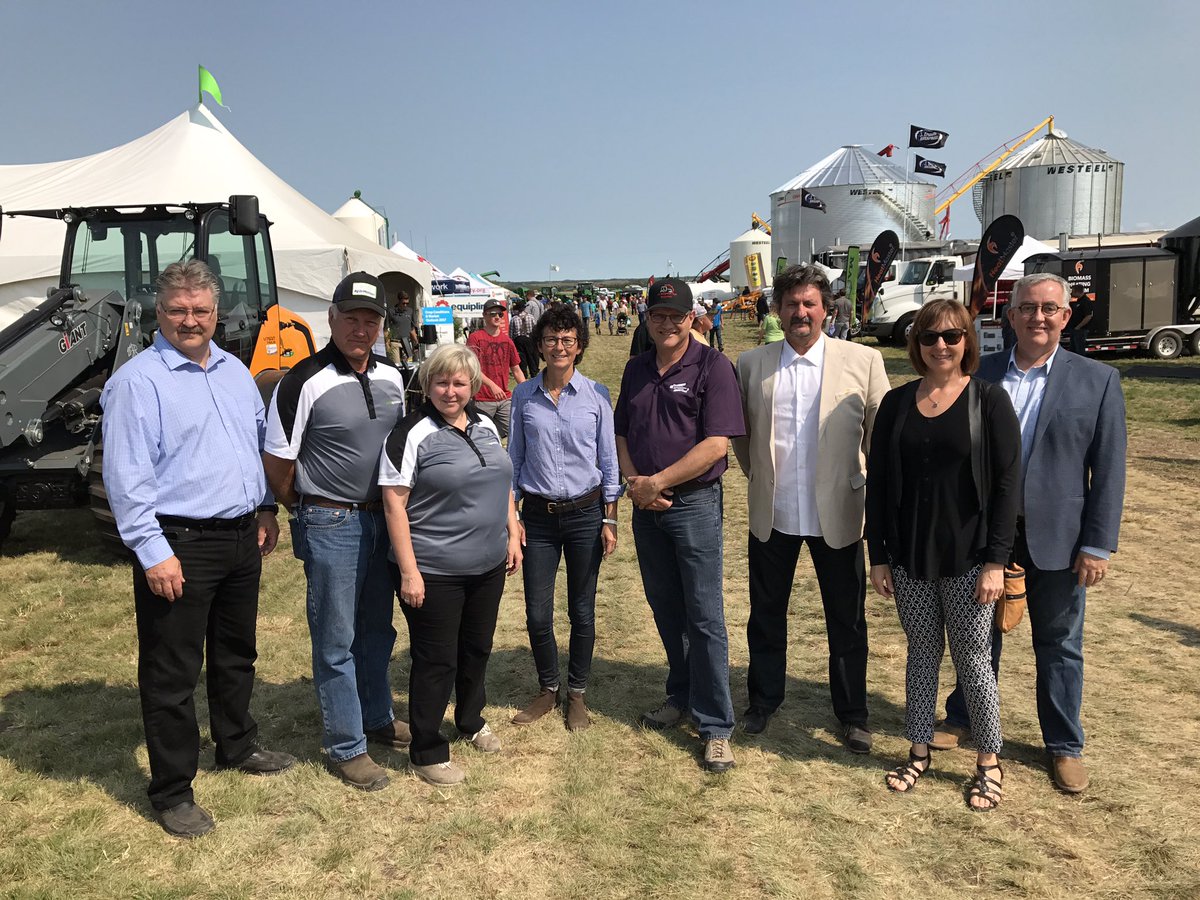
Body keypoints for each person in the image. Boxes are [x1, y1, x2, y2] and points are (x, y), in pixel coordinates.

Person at [101, 260, 295, 839]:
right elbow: (126, 480)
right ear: (158, 314)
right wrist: (153, 552)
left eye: (201, 310)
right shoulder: (138, 382)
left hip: (240, 537)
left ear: (216, 313)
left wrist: (265, 507)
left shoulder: (235, 371)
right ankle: (172, 790)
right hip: (179, 542)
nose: (191, 320)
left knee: (236, 654)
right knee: (171, 671)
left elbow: (256, 446)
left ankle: (236, 744)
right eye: (178, 310)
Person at [932, 273, 1126, 795]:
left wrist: (1097, 543)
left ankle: (1063, 744)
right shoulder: (978, 374)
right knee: (977, 637)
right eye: (1027, 308)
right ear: (1010, 315)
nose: (1037, 317)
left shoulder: (1098, 381)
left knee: (1059, 643)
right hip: (983, 533)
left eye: (1048, 308)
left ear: (1065, 316)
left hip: (1059, 539)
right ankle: (965, 715)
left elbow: (1108, 469)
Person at [865, 299, 1021, 810]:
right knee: (922, 655)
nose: (941, 346)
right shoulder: (896, 403)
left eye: (952, 336)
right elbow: (880, 483)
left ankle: (988, 761)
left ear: (967, 342)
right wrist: (879, 555)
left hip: (971, 556)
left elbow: (1006, 488)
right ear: (916, 344)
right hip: (910, 555)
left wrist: (997, 561)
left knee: (975, 661)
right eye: (930, 337)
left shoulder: (989, 401)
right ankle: (918, 749)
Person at [263, 272, 410, 793]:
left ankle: (377, 716)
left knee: (378, 631)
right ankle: (347, 745)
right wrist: (305, 506)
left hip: (384, 520)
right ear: (331, 317)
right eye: (351, 317)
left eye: (370, 319)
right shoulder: (302, 380)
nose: (360, 328)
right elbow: (278, 463)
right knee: (336, 638)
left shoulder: (394, 377)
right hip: (331, 522)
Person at [732, 265, 889, 752]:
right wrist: (759, 476)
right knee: (766, 614)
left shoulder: (862, 361)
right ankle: (763, 701)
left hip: (837, 514)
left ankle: (852, 713)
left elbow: (877, 436)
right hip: (773, 512)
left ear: (826, 309)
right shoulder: (751, 364)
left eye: (810, 304)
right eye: (792, 304)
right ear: (777, 309)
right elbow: (743, 438)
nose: (801, 313)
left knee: (846, 618)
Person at [613, 278, 745, 773]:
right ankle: (681, 693)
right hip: (647, 506)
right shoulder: (636, 368)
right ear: (647, 319)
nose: (666, 324)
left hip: (692, 504)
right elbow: (622, 430)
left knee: (705, 615)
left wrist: (658, 482)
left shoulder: (713, 367)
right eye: (658, 316)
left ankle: (715, 725)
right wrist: (635, 482)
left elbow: (717, 445)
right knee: (666, 606)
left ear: (693, 318)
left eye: (676, 316)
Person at [380, 344, 523, 785]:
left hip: (487, 563)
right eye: (441, 381)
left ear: (473, 385)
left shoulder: (483, 424)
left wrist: (512, 531)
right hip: (434, 569)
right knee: (436, 659)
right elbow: (394, 504)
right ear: (427, 384)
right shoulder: (410, 433)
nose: (450, 390)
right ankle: (426, 750)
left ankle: (470, 719)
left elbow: (502, 482)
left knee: (477, 648)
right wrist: (409, 570)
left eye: (459, 382)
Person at [508, 306, 621, 731]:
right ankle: (547, 688)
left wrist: (609, 519)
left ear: (579, 347)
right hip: (536, 517)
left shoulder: (596, 395)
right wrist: (511, 517)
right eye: (552, 339)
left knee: (582, 610)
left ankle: (577, 693)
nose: (560, 346)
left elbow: (609, 461)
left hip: (584, 515)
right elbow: (513, 459)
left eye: (568, 339)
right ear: (539, 345)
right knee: (537, 612)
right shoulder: (523, 397)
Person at [467, 298, 526, 438]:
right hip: (482, 398)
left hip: (504, 398)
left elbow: (516, 370)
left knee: (513, 428)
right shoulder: (475, 338)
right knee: (480, 434)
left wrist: (527, 390)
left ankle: (492, 439)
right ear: (484, 315)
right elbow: (472, 368)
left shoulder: (507, 341)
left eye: (500, 314)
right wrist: (491, 385)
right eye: (493, 313)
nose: (497, 317)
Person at [386, 290, 420, 364]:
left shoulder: (410, 311)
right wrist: (387, 344)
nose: (405, 305)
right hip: (395, 342)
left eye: (407, 303)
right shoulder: (391, 311)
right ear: (399, 301)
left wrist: (416, 343)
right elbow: (386, 329)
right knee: (397, 364)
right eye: (403, 303)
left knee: (408, 364)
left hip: (406, 343)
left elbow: (412, 329)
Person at [509, 299, 540, 378]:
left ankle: (524, 374)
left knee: (522, 358)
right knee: (531, 356)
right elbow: (535, 329)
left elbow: (511, 333)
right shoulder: (531, 317)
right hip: (529, 338)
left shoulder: (514, 319)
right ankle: (533, 373)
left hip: (518, 340)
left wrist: (512, 342)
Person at [1068, 284, 1093, 355]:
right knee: (1073, 350)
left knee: (1079, 350)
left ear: (1077, 292)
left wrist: (1078, 327)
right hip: (1074, 329)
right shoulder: (1078, 301)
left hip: (1080, 330)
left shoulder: (1086, 301)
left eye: (1072, 291)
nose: (1071, 293)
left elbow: (1088, 316)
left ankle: (1079, 364)